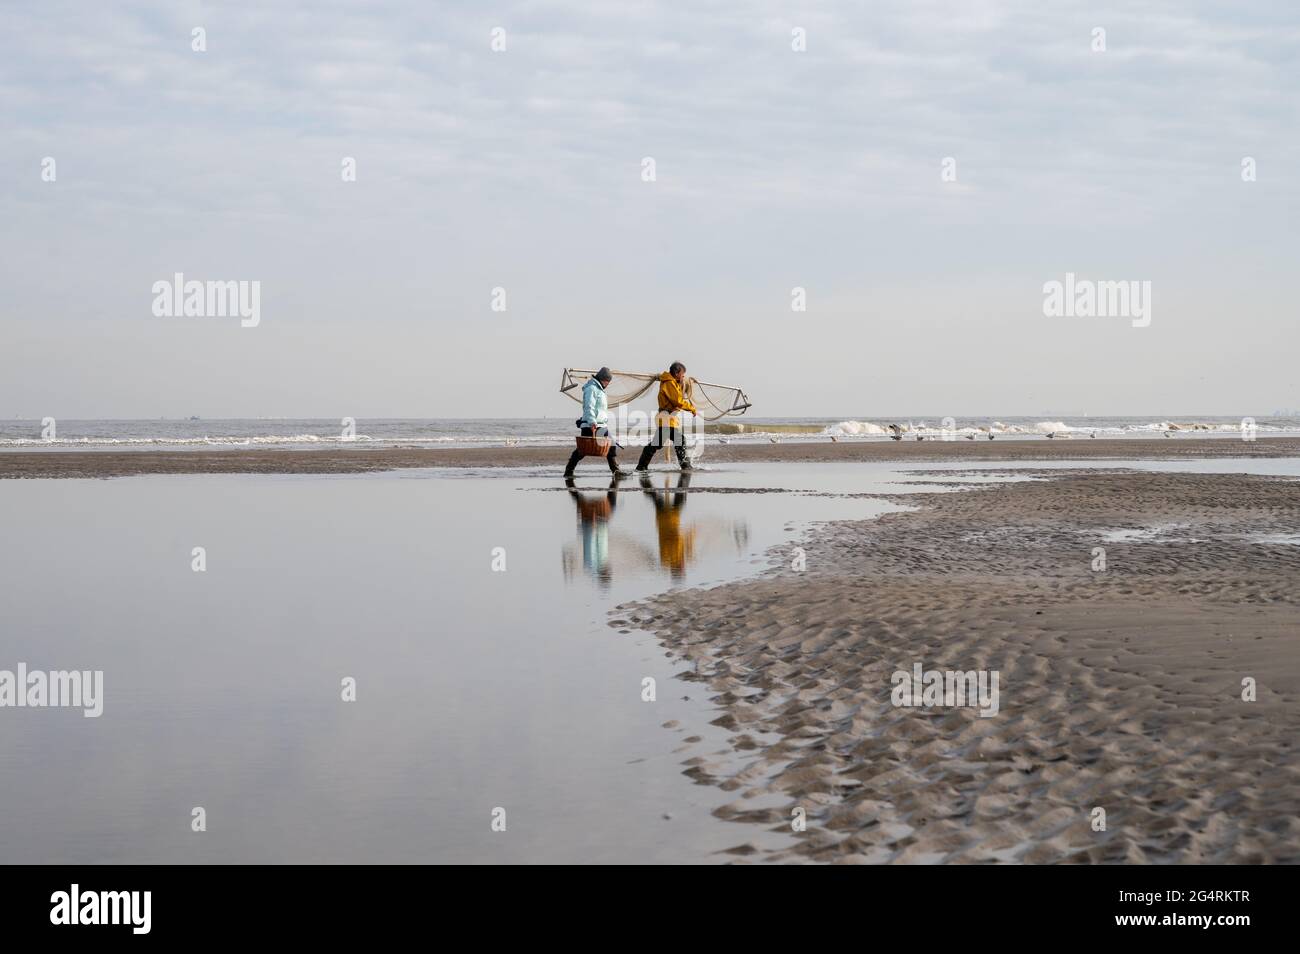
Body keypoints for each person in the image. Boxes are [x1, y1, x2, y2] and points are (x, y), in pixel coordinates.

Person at [564, 367, 628, 477]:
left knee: (609, 445)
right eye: (607, 381)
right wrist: (592, 422)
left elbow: (600, 409)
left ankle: (616, 471)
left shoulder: (599, 390)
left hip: (600, 424)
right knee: (583, 450)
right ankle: (568, 471)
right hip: (592, 424)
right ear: (603, 379)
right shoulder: (592, 389)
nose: (608, 384)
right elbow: (589, 407)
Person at [635, 361, 697, 471]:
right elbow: (678, 401)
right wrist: (691, 408)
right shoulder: (669, 383)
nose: (683, 377)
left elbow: (677, 395)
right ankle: (685, 466)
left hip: (668, 418)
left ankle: (641, 466)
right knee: (679, 439)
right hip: (666, 418)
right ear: (677, 373)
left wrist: (682, 382)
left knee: (657, 443)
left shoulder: (671, 382)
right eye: (682, 374)